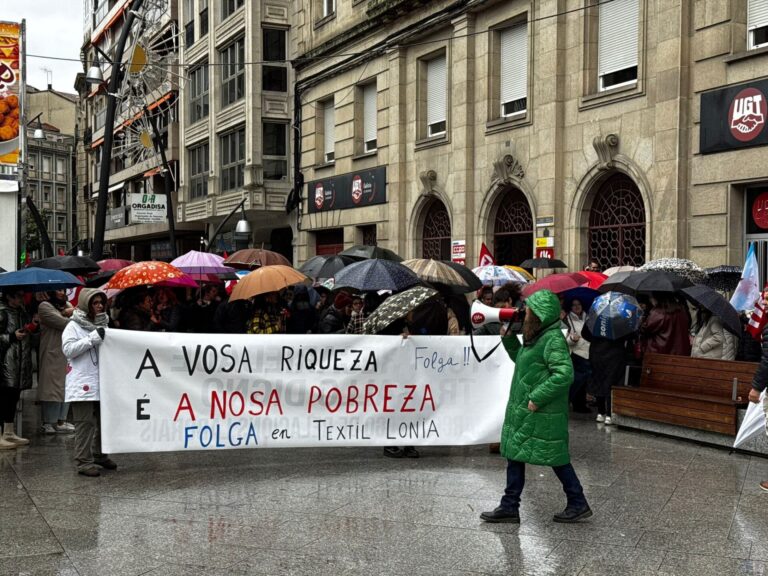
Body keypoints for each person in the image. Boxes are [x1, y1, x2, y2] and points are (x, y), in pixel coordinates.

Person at [480, 290, 591, 524]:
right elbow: (523, 360)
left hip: (539, 409)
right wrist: (508, 338)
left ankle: (577, 501)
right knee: (515, 455)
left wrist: (537, 397)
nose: (526, 313)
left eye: (530, 310)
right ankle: (510, 505)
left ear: (541, 315)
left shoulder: (551, 339)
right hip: (526, 409)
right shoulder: (538, 336)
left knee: (555, 457)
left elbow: (564, 374)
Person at [61, 288, 117, 477]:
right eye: (95, 303)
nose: (100, 306)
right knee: (85, 423)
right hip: (82, 381)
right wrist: (92, 338)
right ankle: (83, 461)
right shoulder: (73, 325)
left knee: (104, 420)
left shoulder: (104, 324)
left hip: (102, 379)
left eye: (102, 302)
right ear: (87, 304)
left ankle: (100, 454)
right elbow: (68, 350)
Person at [37, 290, 75, 434]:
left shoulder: (67, 305)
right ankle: (48, 421)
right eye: (58, 290)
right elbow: (64, 323)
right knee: (51, 388)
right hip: (52, 352)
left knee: (66, 387)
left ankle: (61, 420)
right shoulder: (44, 306)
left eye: (63, 290)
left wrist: (71, 312)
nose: (61, 293)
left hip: (67, 352)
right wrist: (70, 313)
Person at [0, 289, 34, 448]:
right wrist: (12, 336)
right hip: (6, 361)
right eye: (18, 295)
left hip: (19, 362)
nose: (21, 298)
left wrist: (33, 326)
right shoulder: (2, 312)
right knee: (4, 397)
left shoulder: (21, 311)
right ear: (9, 296)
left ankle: (8, 431)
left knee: (13, 396)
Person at [582, 323, 633, 425]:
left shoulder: (595, 317)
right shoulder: (619, 319)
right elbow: (629, 336)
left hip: (597, 353)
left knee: (599, 381)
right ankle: (609, 414)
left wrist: (597, 341)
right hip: (615, 355)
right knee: (611, 382)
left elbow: (584, 334)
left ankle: (601, 412)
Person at [565, 299, 591, 413]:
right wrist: (572, 339)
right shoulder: (567, 319)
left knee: (583, 382)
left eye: (578, 304)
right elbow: (564, 339)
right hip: (576, 353)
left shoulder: (588, 318)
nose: (576, 307)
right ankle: (568, 401)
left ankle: (580, 405)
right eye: (573, 305)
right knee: (576, 380)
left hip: (588, 353)